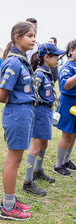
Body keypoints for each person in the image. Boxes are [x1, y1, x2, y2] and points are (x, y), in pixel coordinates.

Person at [0, 21, 37, 220]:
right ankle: (8, 206)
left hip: (24, 112)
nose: (34, 39)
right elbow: (0, 95)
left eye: (34, 35)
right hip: (18, 114)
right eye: (29, 35)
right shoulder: (13, 62)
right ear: (17, 37)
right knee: (13, 160)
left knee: (17, 159)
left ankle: (9, 200)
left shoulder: (21, 60)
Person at [22, 43, 65, 196]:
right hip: (39, 112)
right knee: (35, 146)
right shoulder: (40, 74)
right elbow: (32, 93)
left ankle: (37, 170)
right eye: (57, 57)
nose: (58, 60)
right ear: (47, 57)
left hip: (46, 112)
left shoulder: (47, 72)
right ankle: (27, 182)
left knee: (44, 144)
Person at [53, 39, 76, 176]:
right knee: (67, 135)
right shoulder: (67, 67)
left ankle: (66, 160)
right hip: (68, 104)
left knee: (73, 134)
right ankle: (58, 164)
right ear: (71, 50)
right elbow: (64, 86)